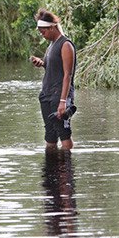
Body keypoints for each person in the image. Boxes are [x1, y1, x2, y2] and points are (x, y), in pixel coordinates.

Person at [30, 9, 77, 150]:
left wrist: (63, 102)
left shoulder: (66, 45)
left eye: (43, 31)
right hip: (47, 94)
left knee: (64, 134)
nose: (42, 35)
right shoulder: (51, 45)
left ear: (52, 27)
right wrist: (42, 63)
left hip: (59, 96)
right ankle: (51, 171)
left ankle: (66, 169)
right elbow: (53, 67)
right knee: (50, 135)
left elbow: (67, 75)